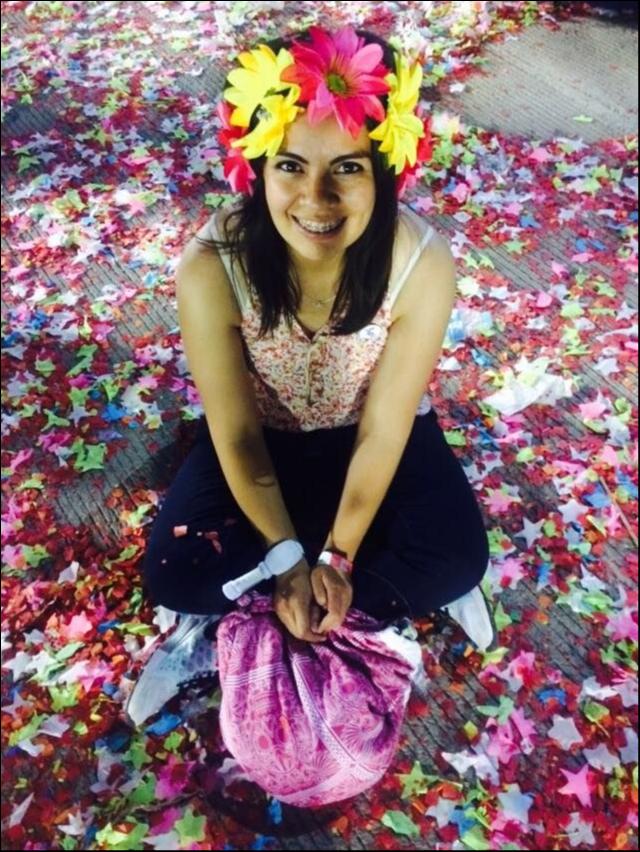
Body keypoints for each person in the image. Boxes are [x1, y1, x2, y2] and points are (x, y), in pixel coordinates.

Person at [126, 25, 494, 727]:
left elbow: (386, 426)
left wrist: (339, 560)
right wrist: (291, 558)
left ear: (385, 171)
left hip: (370, 433)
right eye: (290, 165)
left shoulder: (420, 261)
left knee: (456, 560)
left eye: (347, 168)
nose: (316, 199)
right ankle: (257, 616)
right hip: (263, 438)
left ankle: (328, 604)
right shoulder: (212, 266)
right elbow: (235, 434)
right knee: (175, 575)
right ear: (257, 167)